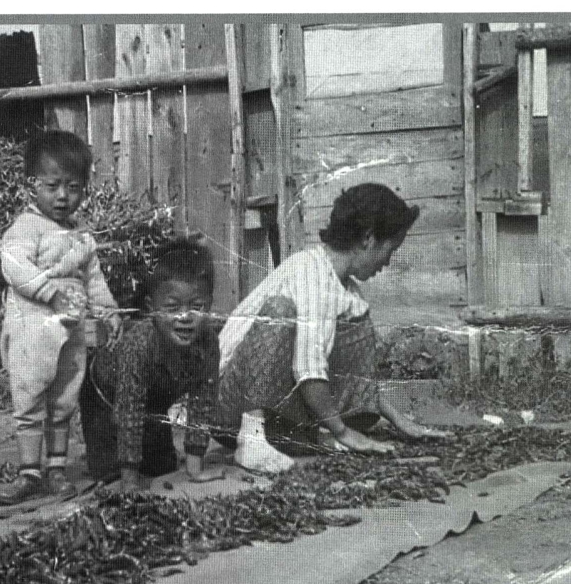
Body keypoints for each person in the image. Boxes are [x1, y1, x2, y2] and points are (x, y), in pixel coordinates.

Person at [216, 181, 440, 474]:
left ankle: (305, 436)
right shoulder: (311, 272)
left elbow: (355, 376)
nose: (387, 261)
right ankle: (252, 438)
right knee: (279, 310)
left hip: (271, 398)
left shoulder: (347, 290)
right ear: (368, 238)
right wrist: (342, 432)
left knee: (357, 323)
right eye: (390, 249)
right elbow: (308, 368)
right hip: (227, 402)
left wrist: (400, 420)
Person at [0, 130, 120, 502]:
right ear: (32, 185)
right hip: (32, 328)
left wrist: (108, 310)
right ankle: (28, 471)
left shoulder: (82, 236)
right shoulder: (26, 227)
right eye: (52, 187)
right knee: (30, 395)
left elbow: (94, 278)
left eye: (73, 187)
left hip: (70, 331)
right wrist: (50, 293)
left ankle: (56, 469)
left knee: (65, 398)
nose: (63, 196)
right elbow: (15, 267)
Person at [79, 239, 225, 491]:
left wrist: (195, 469)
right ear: (151, 309)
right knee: (111, 474)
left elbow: (202, 403)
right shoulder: (140, 344)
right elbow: (129, 410)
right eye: (172, 308)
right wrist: (129, 482)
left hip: (153, 402)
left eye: (197, 307)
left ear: (210, 305)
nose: (185, 317)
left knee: (162, 468)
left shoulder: (208, 343)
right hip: (104, 396)